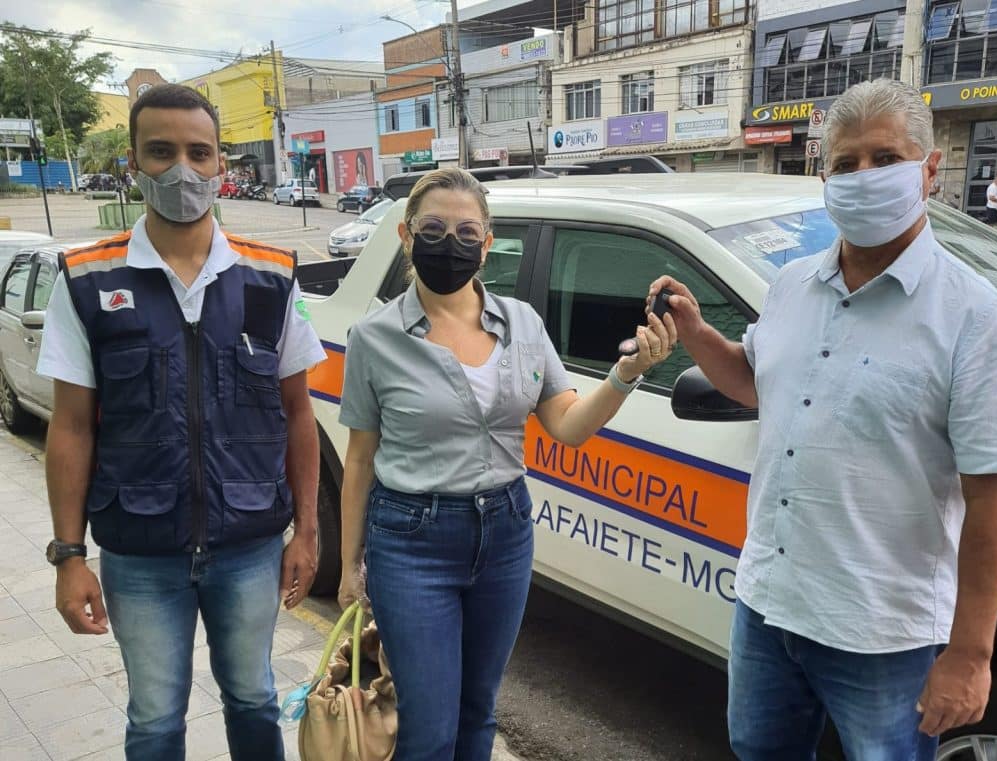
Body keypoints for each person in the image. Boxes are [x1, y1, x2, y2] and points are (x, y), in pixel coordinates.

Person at [651, 78, 997, 761]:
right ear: (825, 178)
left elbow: (993, 497)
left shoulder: (977, 318)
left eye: (885, 158)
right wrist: (697, 332)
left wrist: (971, 653)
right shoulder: (793, 285)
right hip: (768, 604)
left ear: (930, 170)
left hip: (882, 636)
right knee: (758, 749)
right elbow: (754, 383)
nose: (864, 176)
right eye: (845, 163)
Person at [336, 166, 676, 761]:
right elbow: (360, 459)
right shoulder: (374, 337)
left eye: (467, 232)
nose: (451, 243)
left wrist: (626, 374)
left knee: (478, 712)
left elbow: (568, 425)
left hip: (505, 533)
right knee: (429, 728)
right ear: (406, 236)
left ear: (487, 243)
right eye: (433, 229)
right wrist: (348, 565)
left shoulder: (523, 324)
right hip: (411, 541)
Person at [38, 83, 327, 761]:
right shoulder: (87, 280)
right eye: (161, 152)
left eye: (199, 153)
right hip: (138, 551)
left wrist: (307, 532)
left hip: (250, 545)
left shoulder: (271, 277)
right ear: (133, 163)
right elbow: (71, 427)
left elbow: (297, 412)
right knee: (155, 719)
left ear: (222, 163)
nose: (182, 170)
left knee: (253, 699)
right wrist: (68, 556)